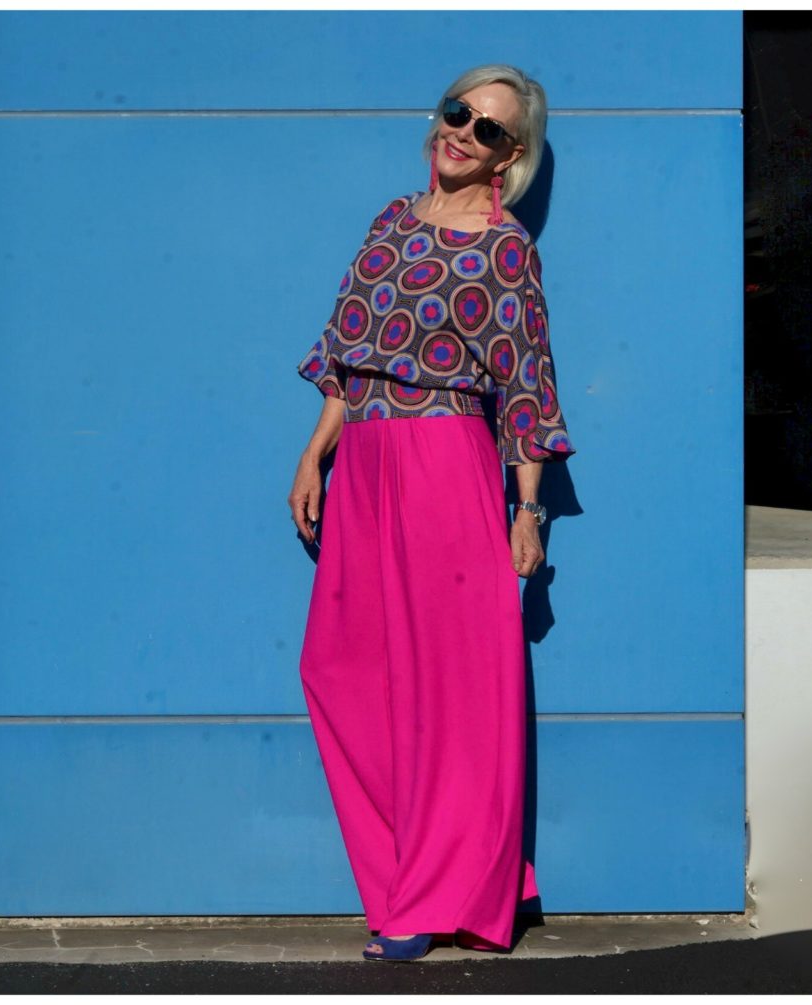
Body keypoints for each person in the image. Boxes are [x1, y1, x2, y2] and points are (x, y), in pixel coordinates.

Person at [288, 64, 575, 962]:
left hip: (446, 462)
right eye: (458, 113)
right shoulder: (389, 220)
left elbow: (525, 385)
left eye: (487, 128)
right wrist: (317, 448)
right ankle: (407, 873)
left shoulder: (506, 248)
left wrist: (527, 511)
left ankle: (431, 893)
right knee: (341, 670)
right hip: (366, 459)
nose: (462, 134)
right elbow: (351, 346)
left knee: (449, 690)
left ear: (511, 154)